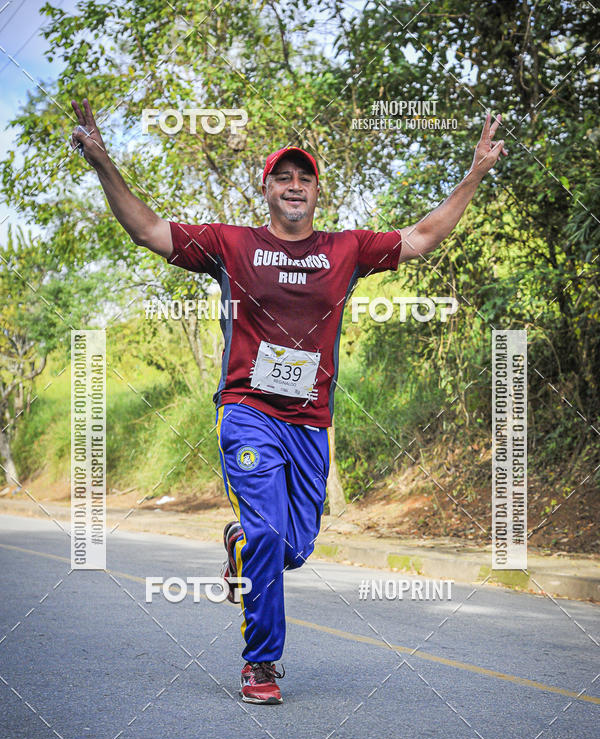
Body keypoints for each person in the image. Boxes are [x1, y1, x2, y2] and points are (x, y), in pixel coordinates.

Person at [71, 99, 507, 704]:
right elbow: (148, 229)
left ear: (316, 192)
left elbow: (424, 236)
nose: (295, 185)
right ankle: (261, 665)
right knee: (271, 533)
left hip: (309, 424)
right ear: (268, 189)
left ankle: (240, 542)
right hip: (248, 413)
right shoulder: (231, 245)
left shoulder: (346, 250)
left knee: (292, 548)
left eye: (305, 178)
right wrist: (102, 163)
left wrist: (475, 171)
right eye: (284, 177)